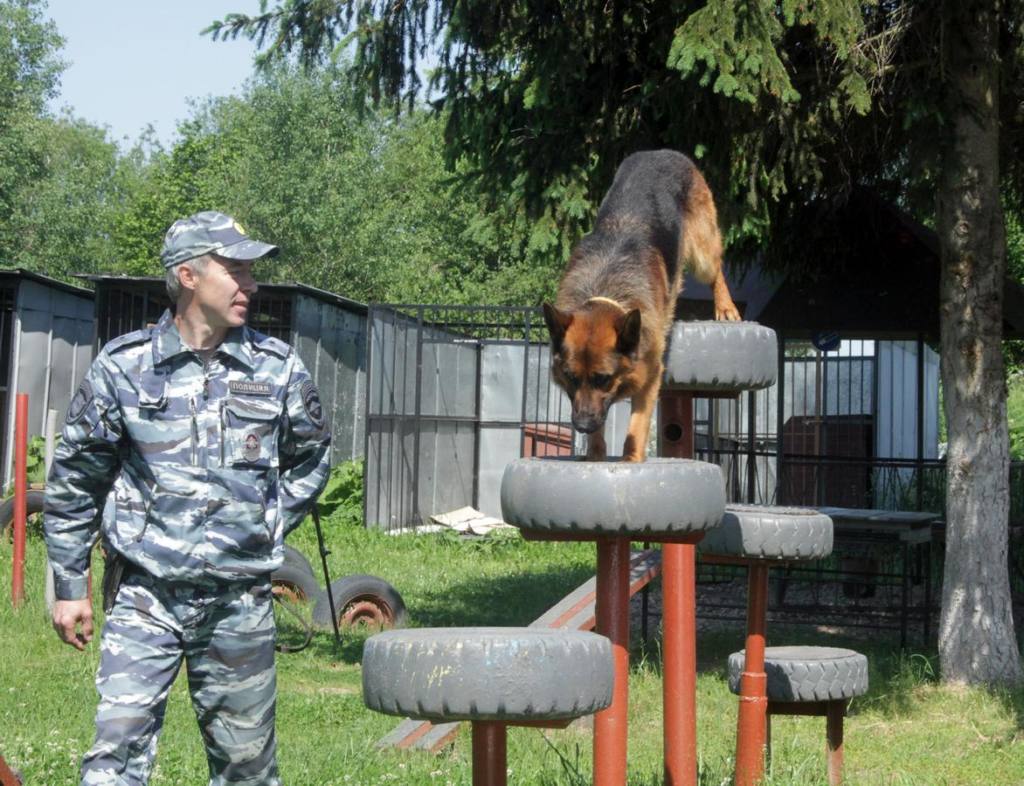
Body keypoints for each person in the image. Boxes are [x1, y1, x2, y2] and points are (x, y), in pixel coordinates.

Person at [43, 211, 332, 786]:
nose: (251, 284)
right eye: (236, 269)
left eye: (252, 272)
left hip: (238, 603)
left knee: (246, 770)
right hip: (145, 595)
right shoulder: (125, 368)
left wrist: (266, 522)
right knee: (114, 757)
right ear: (189, 275)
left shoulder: (276, 369)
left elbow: (313, 455)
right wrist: (70, 588)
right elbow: (76, 479)